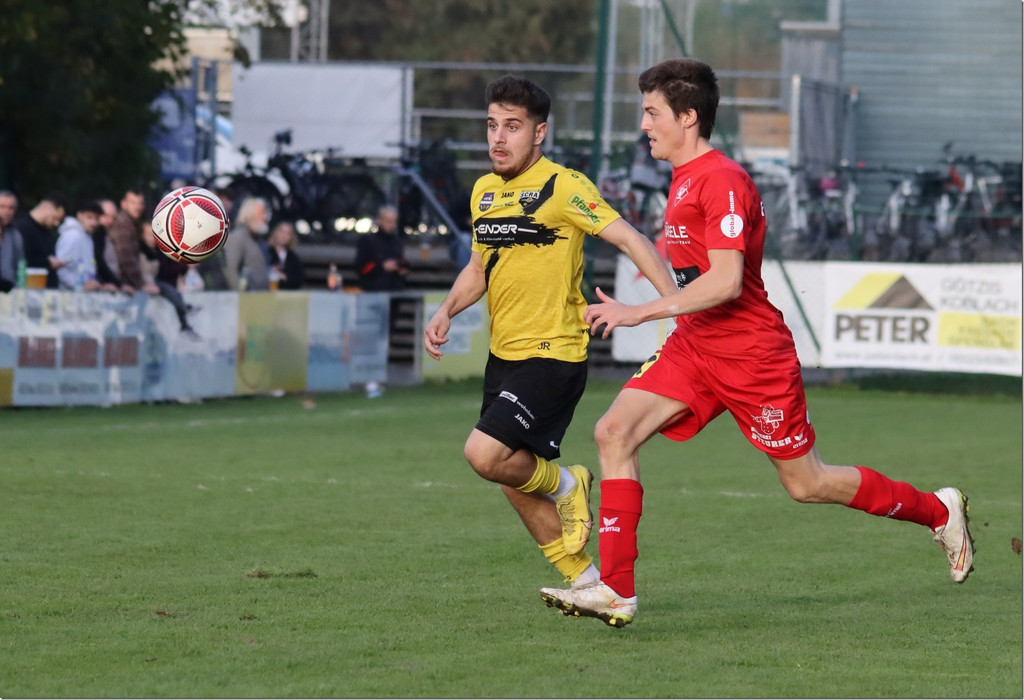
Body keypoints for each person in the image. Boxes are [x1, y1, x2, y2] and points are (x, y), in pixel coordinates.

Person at [538, 58, 975, 628]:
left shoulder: (721, 179)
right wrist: (667, 311)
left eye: (652, 113)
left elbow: (725, 282)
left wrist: (637, 312)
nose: (643, 125)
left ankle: (938, 510)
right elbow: (699, 280)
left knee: (808, 483)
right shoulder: (684, 176)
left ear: (688, 117)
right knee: (613, 432)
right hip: (697, 347)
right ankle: (617, 590)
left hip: (751, 355)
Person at [423, 76, 677, 598]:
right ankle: (584, 582)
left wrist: (672, 304)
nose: (498, 138)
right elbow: (479, 268)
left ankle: (568, 483)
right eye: (492, 125)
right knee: (508, 474)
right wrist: (447, 308)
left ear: (539, 133)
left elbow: (630, 238)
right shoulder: (484, 191)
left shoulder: (564, 186)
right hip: (504, 356)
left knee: (484, 454)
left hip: (554, 353)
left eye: (512, 127)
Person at [14, 192, 67, 288]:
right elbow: (22, 261)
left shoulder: (47, 231)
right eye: (55, 218)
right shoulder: (22, 227)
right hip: (29, 289)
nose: (56, 223)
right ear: (45, 207)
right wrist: (47, 263)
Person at [55, 200, 110, 291]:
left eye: (97, 219)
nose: (94, 223)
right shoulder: (72, 236)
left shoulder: (87, 237)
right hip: (68, 294)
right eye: (89, 217)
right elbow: (60, 270)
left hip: (82, 294)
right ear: (79, 215)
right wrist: (80, 286)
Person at [356, 205, 409, 291]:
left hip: (395, 290)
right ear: (379, 221)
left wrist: (402, 268)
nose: (392, 225)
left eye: (394, 222)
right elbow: (361, 267)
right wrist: (382, 266)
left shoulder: (397, 242)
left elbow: (402, 261)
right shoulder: (367, 241)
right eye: (389, 221)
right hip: (373, 290)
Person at [222, 196, 270, 291]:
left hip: (260, 296)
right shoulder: (238, 237)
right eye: (262, 213)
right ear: (249, 215)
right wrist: (239, 295)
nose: (265, 217)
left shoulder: (257, 238)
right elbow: (231, 270)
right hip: (246, 298)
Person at [267, 220, 306, 290]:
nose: (284, 236)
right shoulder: (266, 253)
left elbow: (299, 278)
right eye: (282, 232)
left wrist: (284, 277)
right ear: (275, 233)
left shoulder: (293, 258)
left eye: (288, 233)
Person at [0, 189, 24, 291]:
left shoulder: (16, 235)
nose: (7, 211)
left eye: (11, 208)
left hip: (9, 291)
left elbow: (19, 266)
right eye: (2, 207)